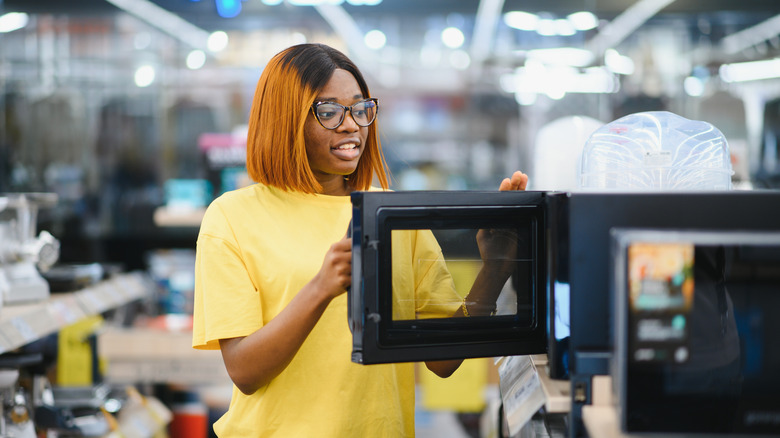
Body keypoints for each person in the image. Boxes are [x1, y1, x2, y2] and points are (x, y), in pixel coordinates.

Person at [192, 43, 529, 437]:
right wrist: (321, 287)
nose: (352, 124)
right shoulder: (232, 217)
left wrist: (494, 270)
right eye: (329, 111)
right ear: (285, 120)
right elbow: (245, 371)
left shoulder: (390, 216)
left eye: (359, 108)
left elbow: (443, 361)